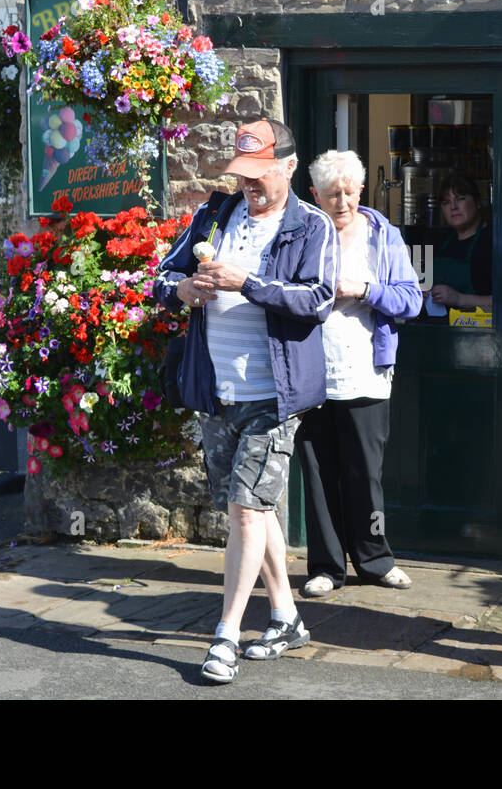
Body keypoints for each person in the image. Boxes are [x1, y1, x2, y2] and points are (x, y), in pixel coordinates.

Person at [154, 118, 337, 684]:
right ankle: (285, 617)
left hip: (273, 393)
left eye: (260, 175)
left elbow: (318, 298)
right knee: (250, 511)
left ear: (288, 166)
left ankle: (225, 635)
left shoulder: (311, 226)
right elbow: (160, 276)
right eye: (242, 175)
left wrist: (247, 283)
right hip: (217, 389)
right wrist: (182, 289)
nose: (249, 185)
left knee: (244, 510)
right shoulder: (214, 213)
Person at [295, 149, 424, 597]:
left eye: (350, 192)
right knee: (318, 472)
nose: (342, 202)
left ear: (362, 191)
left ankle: (374, 559)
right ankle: (327, 567)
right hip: (311, 372)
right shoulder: (302, 234)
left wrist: (365, 289)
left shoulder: (383, 236)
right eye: (332, 194)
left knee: (364, 472)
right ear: (314, 195)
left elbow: (412, 299)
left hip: (365, 372)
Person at [428, 173, 492, 313]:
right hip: (439, 328)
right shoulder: (440, 242)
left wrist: (459, 299)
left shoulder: (492, 242)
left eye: (460, 199)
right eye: (446, 202)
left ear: (478, 202)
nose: (453, 207)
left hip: (478, 331)